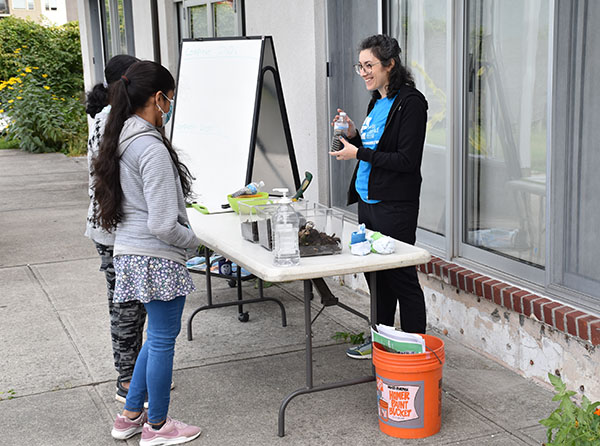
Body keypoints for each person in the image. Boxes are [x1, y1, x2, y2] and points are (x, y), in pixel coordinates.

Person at [93, 60, 202, 444]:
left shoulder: (120, 136)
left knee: (153, 336)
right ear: (157, 98)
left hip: (132, 253)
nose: (170, 106)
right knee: (160, 340)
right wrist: (197, 241)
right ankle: (157, 426)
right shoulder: (149, 147)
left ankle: (129, 416)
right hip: (155, 254)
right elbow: (162, 224)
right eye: (169, 98)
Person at [329, 34, 428, 360]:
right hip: (369, 204)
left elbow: (405, 161)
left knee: (401, 278)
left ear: (390, 64)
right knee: (377, 277)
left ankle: (414, 352)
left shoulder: (411, 103)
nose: (364, 72)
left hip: (394, 207)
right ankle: (381, 343)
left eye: (369, 65)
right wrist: (354, 134)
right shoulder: (378, 101)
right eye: (360, 66)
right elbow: (377, 149)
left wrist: (358, 153)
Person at [85, 54, 148, 404]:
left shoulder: (105, 117)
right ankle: (127, 381)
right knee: (126, 307)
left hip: (108, 226)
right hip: (116, 229)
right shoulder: (117, 121)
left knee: (126, 305)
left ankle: (133, 376)